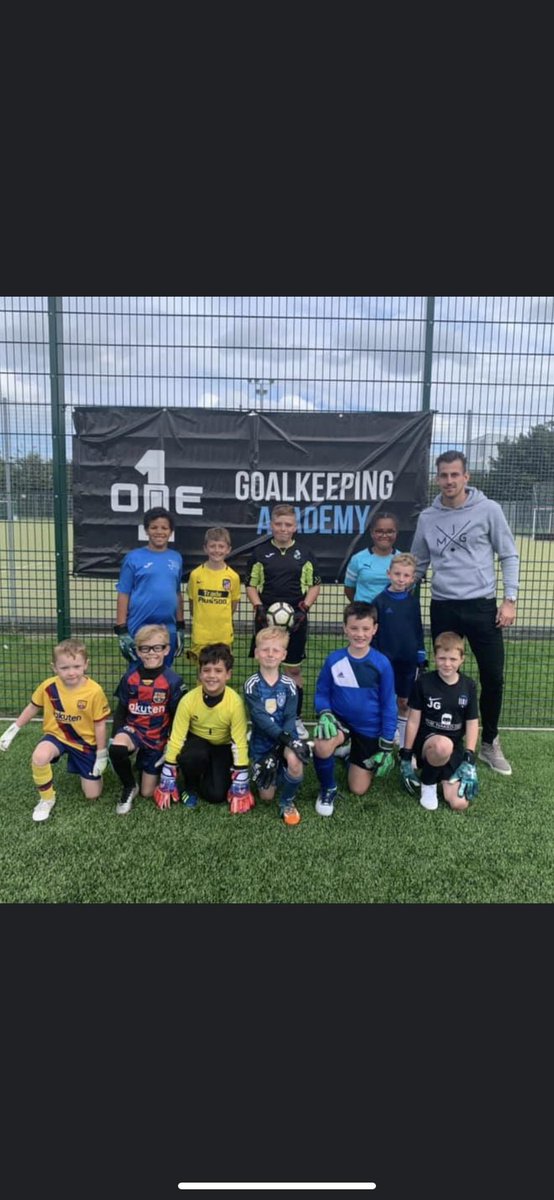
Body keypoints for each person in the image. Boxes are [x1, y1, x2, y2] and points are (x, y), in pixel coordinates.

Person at [410, 450, 519, 775]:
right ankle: (445, 737)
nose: (449, 481)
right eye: (443, 475)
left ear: (466, 476)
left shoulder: (489, 510)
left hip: (482, 607)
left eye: (455, 475)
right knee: (444, 675)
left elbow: (508, 555)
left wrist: (509, 599)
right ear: (437, 478)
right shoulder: (428, 517)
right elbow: (418, 563)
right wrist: (397, 587)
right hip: (443, 606)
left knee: (493, 677)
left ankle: (489, 743)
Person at [0, 637, 110, 822]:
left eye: (76, 666)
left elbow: (100, 724)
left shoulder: (94, 691)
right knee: (39, 756)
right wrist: (13, 728)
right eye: (64, 668)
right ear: (54, 667)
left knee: (92, 795)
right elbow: (33, 707)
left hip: (84, 742)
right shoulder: (48, 686)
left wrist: (101, 753)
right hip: (57, 736)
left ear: (86, 665)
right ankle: (46, 799)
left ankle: (90, 773)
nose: (71, 672)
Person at [311, 601, 398, 817]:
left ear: (375, 629)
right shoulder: (334, 660)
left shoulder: (382, 663)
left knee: (358, 789)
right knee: (322, 745)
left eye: (366, 629)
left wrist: (387, 744)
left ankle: (350, 754)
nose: (360, 634)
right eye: (354, 628)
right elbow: (322, 692)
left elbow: (389, 705)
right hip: (341, 721)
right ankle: (327, 788)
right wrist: (325, 713)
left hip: (370, 728)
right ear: (345, 629)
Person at [245, 503, 321, 739]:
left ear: (295, 527)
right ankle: (263, 718)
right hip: (266, 620)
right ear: (271, 525)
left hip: (295, 620)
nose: (283, 528)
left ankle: (295, 718)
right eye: (278, 524)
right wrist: (258, 607)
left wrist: (304, 609)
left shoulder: (306, 553)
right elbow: (251, 585)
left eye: (288, 524)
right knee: (267, 666)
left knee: (293, 669)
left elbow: (315, 585)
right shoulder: (260, 553)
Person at [153, 643, 254, 813]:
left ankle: (211, 774)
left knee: (215, 795)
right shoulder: (188, 700)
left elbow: (240, 741)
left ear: (228, 674)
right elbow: (177, 737)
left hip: (222, 746)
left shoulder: (235, 703)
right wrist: (168, 770)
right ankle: (190, 786)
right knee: (193, 756)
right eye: (206, 670)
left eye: (218, 670)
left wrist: (241, 775)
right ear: (200, 674)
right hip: (197, 743)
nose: (211, 676)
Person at [398, 631, 479, 812]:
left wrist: (469, 757)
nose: (447, 664)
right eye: (442, 658)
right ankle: (428, 783)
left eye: (452, 659)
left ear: (462, 659)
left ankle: (441, 775)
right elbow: (413, 721)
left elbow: (472, 722)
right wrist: (406, 753)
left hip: (453, 747)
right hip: (428, 743)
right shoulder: (423, 682)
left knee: (459, 803)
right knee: (442, 746)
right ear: (435, 657)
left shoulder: (469, 686)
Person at [109, 623, 185, 815]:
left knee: (148, 792)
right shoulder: (130, 678)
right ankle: (128, 786)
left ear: (166, 649)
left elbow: (178, 717)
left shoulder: (173, 681)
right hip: (133, 731)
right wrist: (114, 736)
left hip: (157, 737)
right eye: (145, 648)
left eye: (157, 648)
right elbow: (121, 710)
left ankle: (148, 765)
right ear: (138, 651)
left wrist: (172, 744)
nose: (151, 653)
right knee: (117, 748)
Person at [243, 626, 311, 827]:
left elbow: (290, 717)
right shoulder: (252, 684)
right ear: (256, 653)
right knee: (266, 796)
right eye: (265, 650)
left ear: (284, 655)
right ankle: (274, 770)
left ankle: (287, 801)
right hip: (262, 743)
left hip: (286, 738)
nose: (270, 654)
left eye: (275, 650)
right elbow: (260, 718)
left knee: (295, 760)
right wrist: (278, 744)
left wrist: (286, 742)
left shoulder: (290, 685)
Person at [114, 506, 185, 668]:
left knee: (165, 673)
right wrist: (122, 630)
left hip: (168, 627)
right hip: (139, 625)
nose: (159, 532)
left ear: (171, 531)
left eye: (164, 528)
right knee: (138, 672)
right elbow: (123, 594)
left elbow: (176, 592)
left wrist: (180, 626)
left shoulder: (176, 558)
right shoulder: (133, 558)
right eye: (154, 527)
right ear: (146, 530)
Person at [372, 552, 427, 748]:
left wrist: (420, 652)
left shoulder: (413, 602)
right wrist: (376, 656)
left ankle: (405, 744)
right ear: (389, 574)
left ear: (412, 578)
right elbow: (374, 632)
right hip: (386, 661)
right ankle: (387, 734)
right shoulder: (379, 601)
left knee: (404, 702)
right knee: (386, 700)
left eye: (406, 576)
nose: (401, 579)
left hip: (408, 661)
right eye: (397, 574)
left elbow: (417, 628)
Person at [186, 526, 241, 662]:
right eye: (212, 546)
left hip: (223, 635)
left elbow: (232, 606)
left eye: (221, 547)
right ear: (205, 548)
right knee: (202, 671)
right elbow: (193, 605)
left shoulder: (233, 576)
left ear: (228, 549)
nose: (217, 550)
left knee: (221, 670)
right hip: (201, 635)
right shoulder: (196, 574)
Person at [344, 511, 401, 603]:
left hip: (393, 614)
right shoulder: (357, 559)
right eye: (379, 531)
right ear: (372, 533)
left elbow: (409, 589)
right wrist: (364, 608)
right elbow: (349, 589)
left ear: (396, 533)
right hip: (364, 614)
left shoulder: (403, 559)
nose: (384, 535)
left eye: (390, 531)